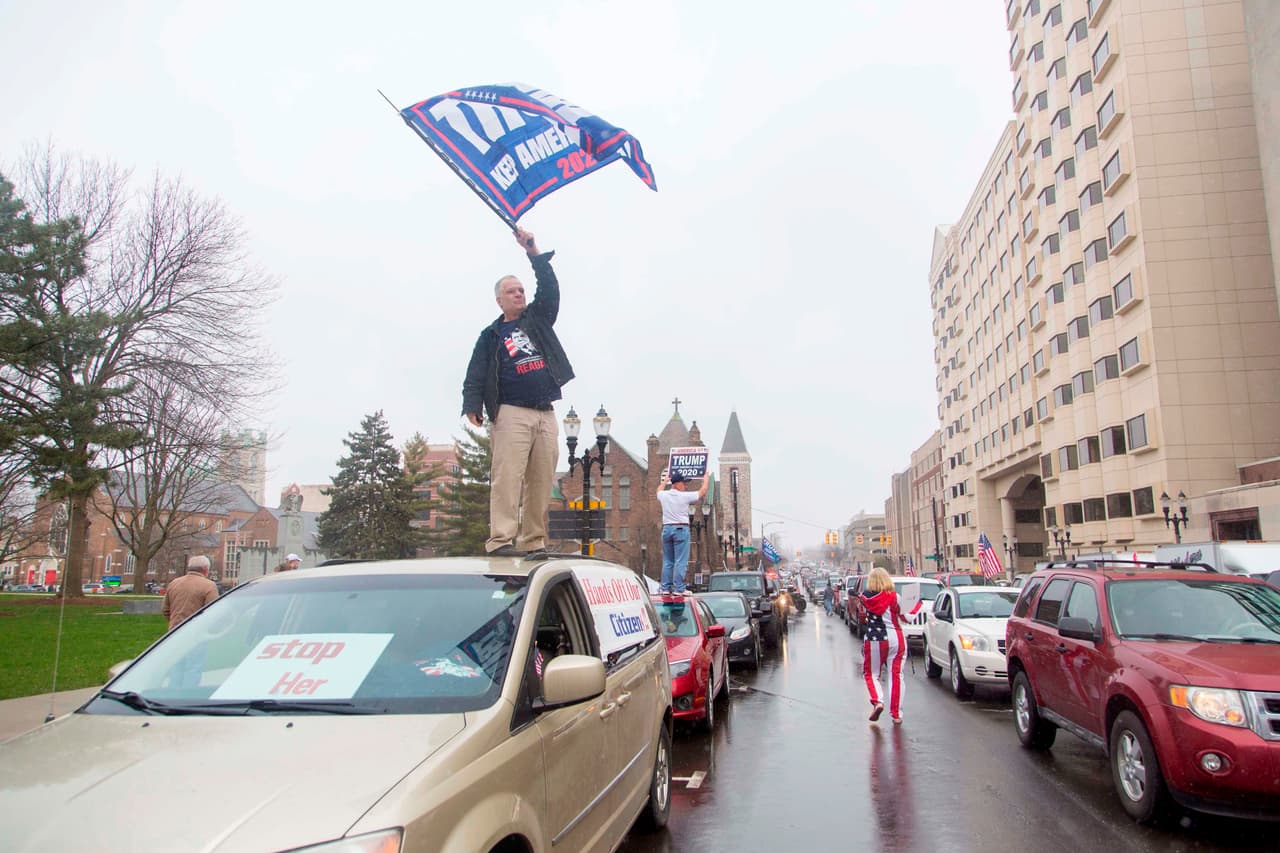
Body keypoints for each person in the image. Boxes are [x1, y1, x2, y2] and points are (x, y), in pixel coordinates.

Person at [462, 228, 574, 557]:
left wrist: (533, 252)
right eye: (512, 291)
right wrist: (472, 404)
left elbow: (550, 291)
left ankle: (533, 541)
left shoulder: (538, 319)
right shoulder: (491, 335)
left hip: (545, 412)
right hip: (510, 412)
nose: (519, 295)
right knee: (507, 478)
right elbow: (475, 372)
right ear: (499, 300)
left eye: (522, 290)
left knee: (542, 480)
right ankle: (500, 541)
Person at [860, 567, 906, 724]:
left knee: (871, 674)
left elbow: (863, 614)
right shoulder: (895, 597)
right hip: (896, 638)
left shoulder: (865, 597)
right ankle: (897, 713)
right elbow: (906, 617)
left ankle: (878, 700)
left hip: (874, 638)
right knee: (896, 675)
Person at [655, 470, 712, 594]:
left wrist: (664, 481)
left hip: (666, 530)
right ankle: (679, 588)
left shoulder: (664, 496)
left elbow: (658, 490)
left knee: (668, 561)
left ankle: (665, 588)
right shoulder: (684, 496)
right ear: (676, 484)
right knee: (680, 561)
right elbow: (702, 492)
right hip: (680, 529)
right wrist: (706, 479)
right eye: (684, 483)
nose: (686, 486)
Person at [161, 555, 219, 631]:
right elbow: (212, 611)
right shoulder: (209, 586)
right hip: (196, 631)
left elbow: (165, 610)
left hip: (174, 631)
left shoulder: (173, 583)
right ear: (205, 570)